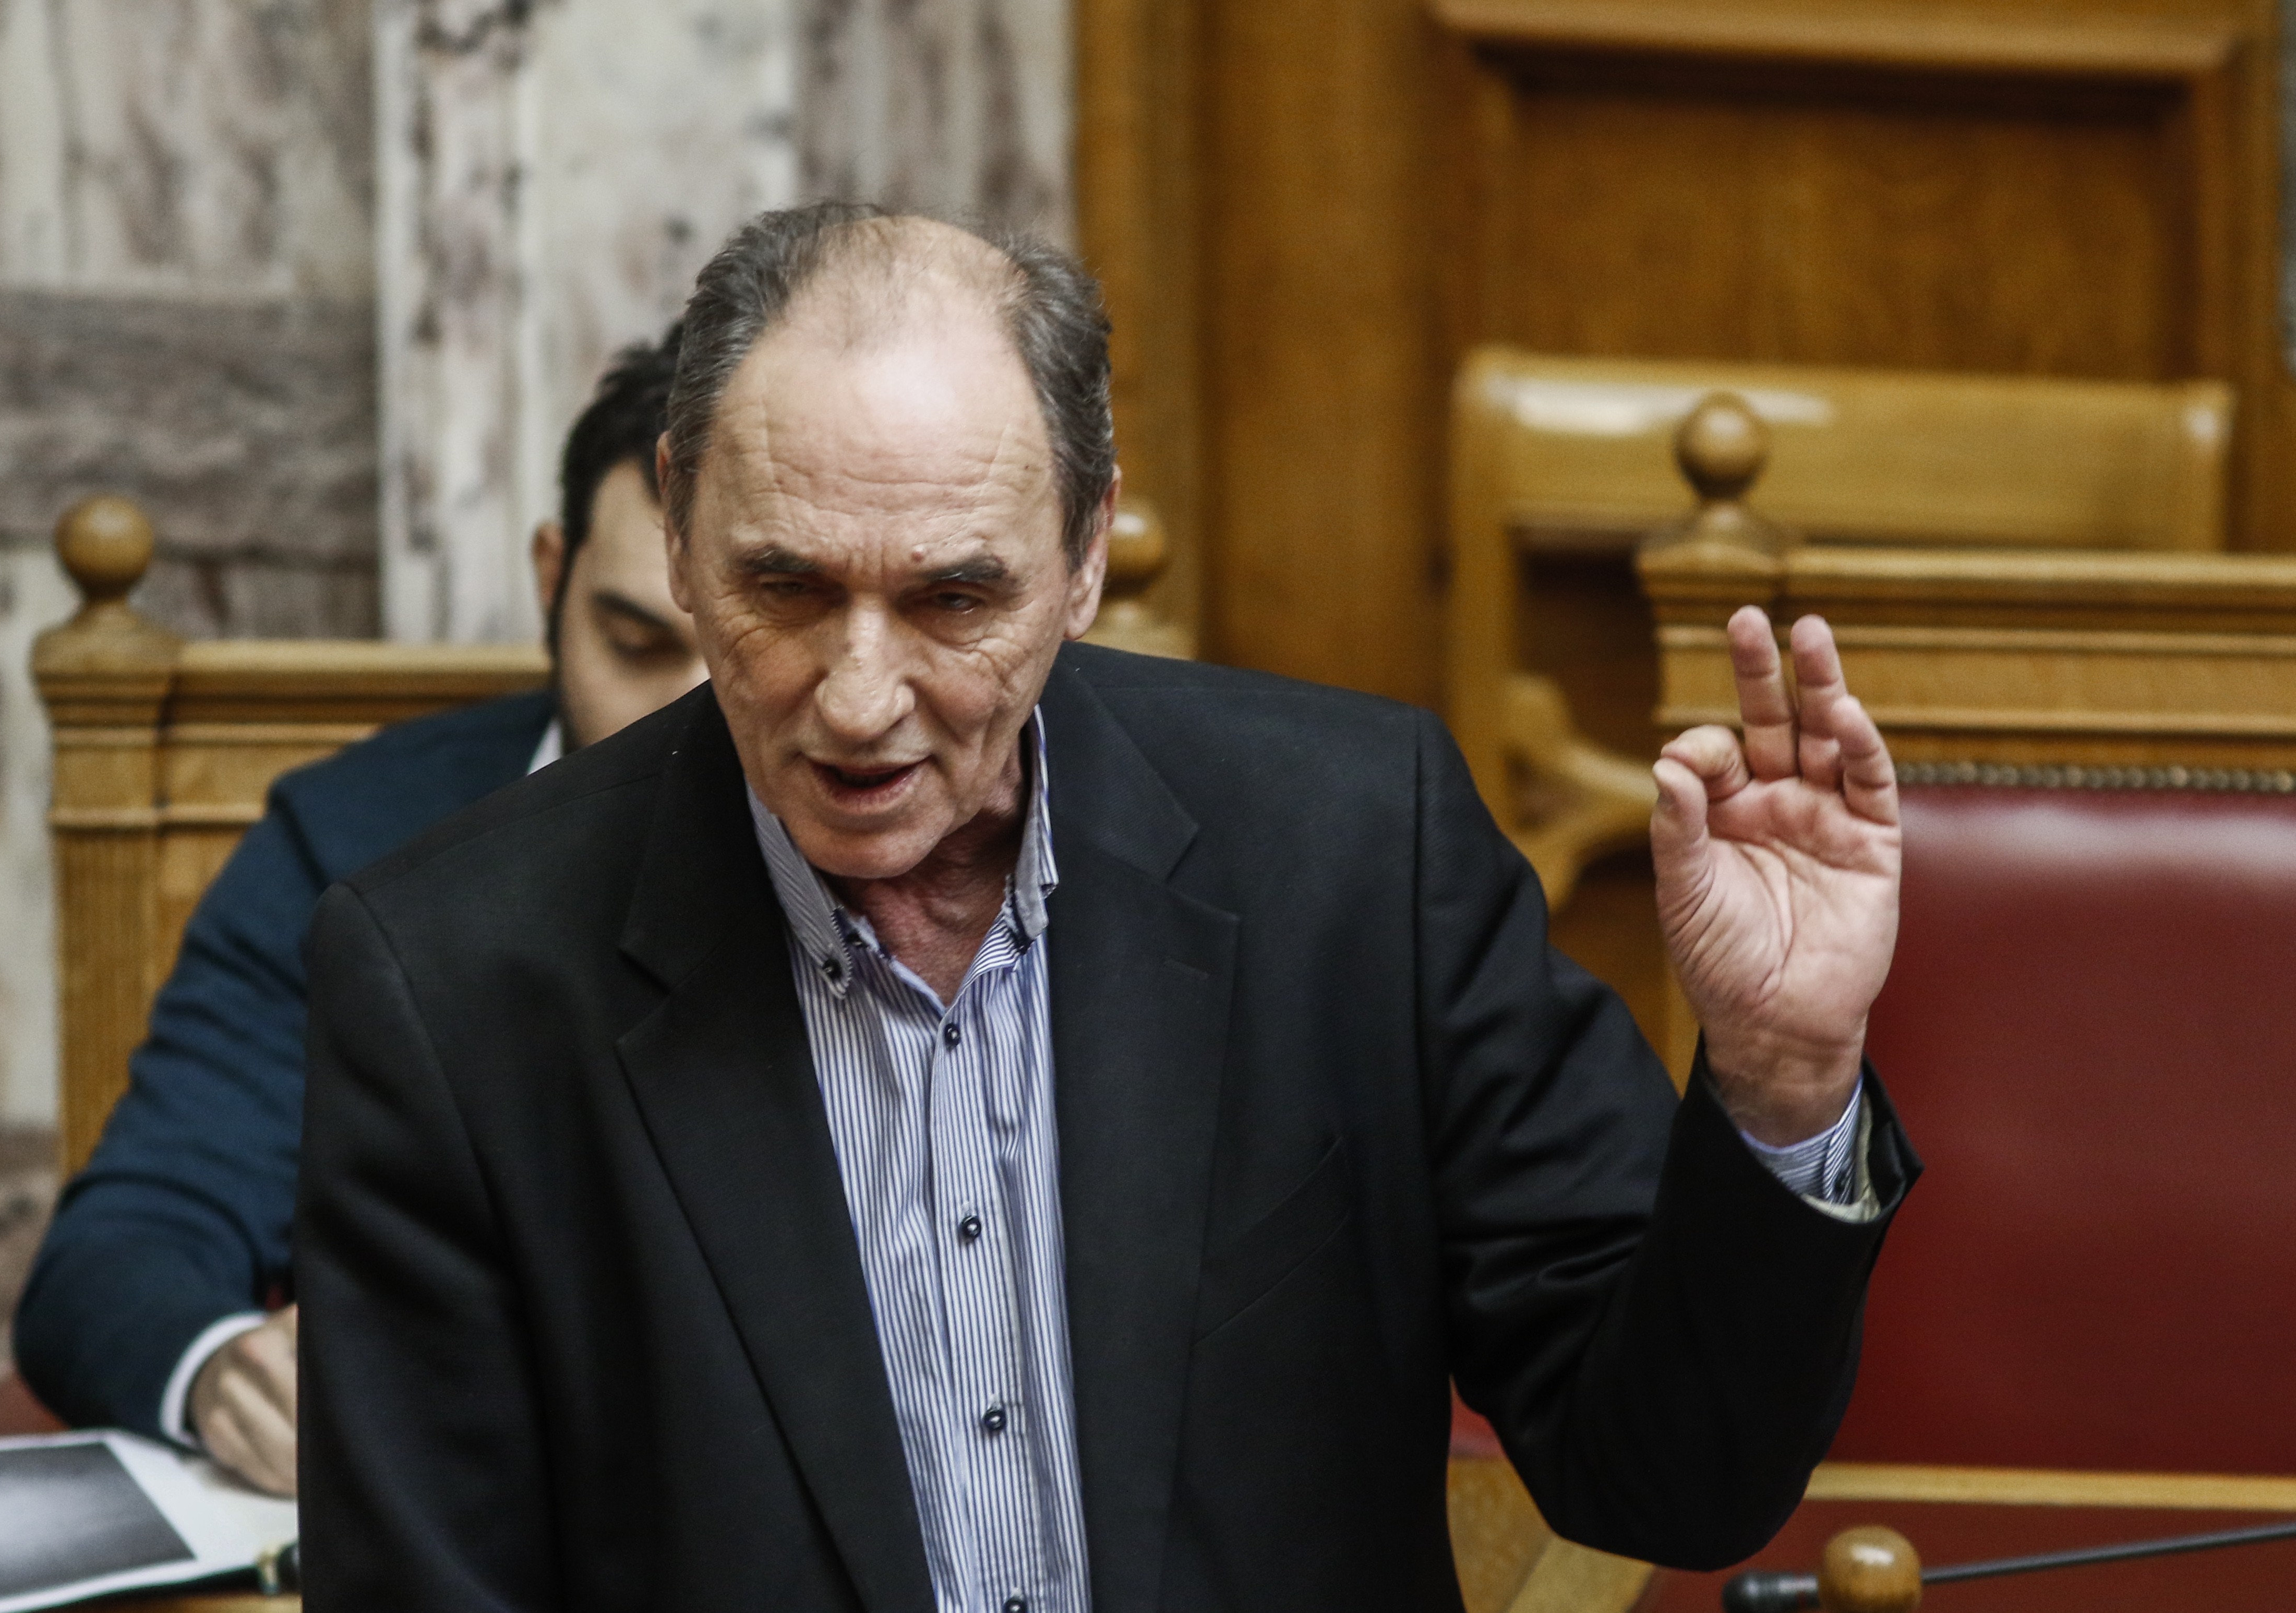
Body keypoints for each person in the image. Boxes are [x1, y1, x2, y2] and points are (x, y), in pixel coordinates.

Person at [297, 204, 1918, 1611]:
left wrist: (1781, 1076)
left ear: (1082, 554)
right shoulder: (453, 982)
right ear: (675, 522)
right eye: (783, 586)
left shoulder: (1355, 852)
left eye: (952, 597)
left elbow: (1668, 1479)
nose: (856, 698)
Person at [12, 321, 711, 1497]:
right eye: (636, 643)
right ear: (553, 580)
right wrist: (226, 1371)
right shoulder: (350, 843)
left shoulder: (914, 846)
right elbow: (125, 1249)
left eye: (742, 652)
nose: (685, 727)